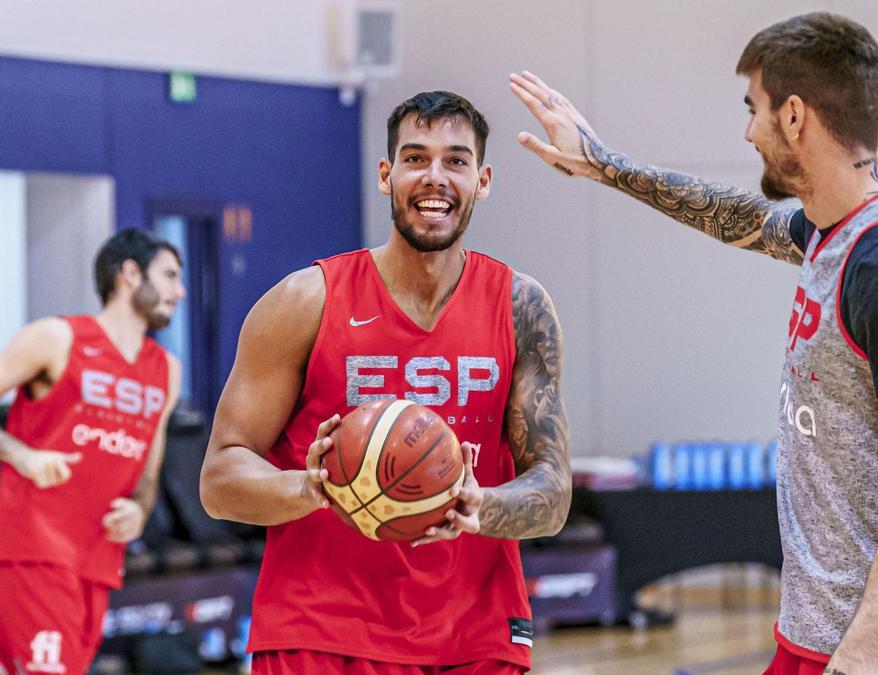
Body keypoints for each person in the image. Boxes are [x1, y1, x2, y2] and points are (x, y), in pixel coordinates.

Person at [510, 12, 878, 675]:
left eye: (753, 108)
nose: (747, 131)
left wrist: (852, 665)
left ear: (794, 116)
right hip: (818, 634)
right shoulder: (833, 232)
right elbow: (739, 216)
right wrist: (601, 165)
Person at [199, 90, 571, 674]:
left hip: (476, 636)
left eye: (456, 160)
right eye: (416, 158)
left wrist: (479, 506)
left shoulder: (521, 307)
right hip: (322, 631)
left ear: (483, 179)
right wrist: (312, 486)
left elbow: (552, 495)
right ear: (385, 174)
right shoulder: (305, 302)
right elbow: (219, 480)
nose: (435, 177)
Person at [0, 229, 185, 675]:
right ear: (129, 273)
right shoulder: (55, 337)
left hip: (98, 560)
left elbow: (147, 472)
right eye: (170, 276)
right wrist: (21, 455)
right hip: (33, 547)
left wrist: (140, 512)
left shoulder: (167, 371)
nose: (179, 291)